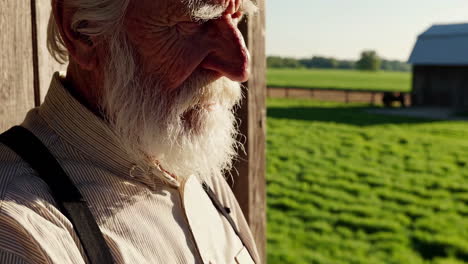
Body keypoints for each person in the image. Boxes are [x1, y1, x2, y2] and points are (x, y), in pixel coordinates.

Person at [0, 0, 260, 263]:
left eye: (236, 16)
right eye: (194, 22)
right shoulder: (18, 232)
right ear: (83, 31)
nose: (240, 66)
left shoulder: (188, 158)